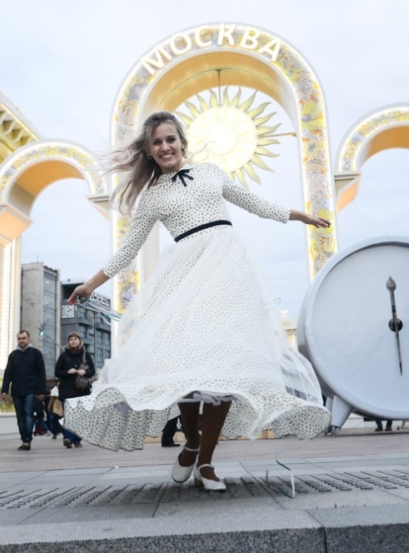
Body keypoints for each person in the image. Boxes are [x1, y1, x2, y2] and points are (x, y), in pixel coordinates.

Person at [64, 111, 331, 492]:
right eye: (157, 142)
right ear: (150, 152)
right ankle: (190, 441)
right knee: (186, 368)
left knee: (225, 370)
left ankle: (205, 461)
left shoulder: (211, 173)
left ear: (182, 143)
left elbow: (252, 202)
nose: (165, 146)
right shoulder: (153, 197)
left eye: (170, 139)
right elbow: (129, 249)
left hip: (228, 273)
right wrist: (91, 283)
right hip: (186, 276)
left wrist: (295, 215)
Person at [0, 330, 47, 450]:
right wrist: (4, 390)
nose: (21, 340)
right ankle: (24, 438)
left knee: (28, 414)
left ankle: (27, 440)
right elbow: (8, 373)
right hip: (16, 390)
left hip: (31, 390)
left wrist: (42, 391)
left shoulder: (36, 353)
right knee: (20, 416)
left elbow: (42, 373)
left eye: (24, 338)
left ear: (29, 339)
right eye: (19, 338)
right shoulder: (13, 355)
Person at [54, 332, 96, 448]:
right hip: (66, 390)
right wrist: (68, 372)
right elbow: (57, 372)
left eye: (75, 339)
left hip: (82, 390)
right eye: (71, 339)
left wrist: (85, 372)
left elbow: (92, 371)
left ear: (79, 341)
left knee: (80, 416)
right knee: (68, 415)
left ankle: (77, 439)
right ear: (68, 342)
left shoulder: (85, 355)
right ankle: (68, 438)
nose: (73, 341)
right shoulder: (63, 356)